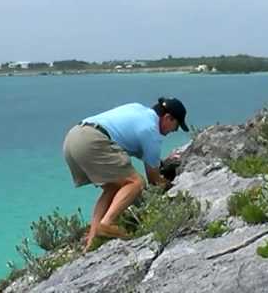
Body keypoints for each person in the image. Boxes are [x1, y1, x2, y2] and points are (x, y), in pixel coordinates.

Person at [63, 97, 189, 251]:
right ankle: (106, 224)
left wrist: (161, 163)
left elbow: (135, 146)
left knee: (113, 188)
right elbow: (154, 180)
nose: (172, 132)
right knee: (136, 183)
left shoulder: (138, 109)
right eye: (175, 127)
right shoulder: (151, 131)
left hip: (73, 138)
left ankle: (92, 238)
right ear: (168, 118)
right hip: (93, 141)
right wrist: (172, 186)